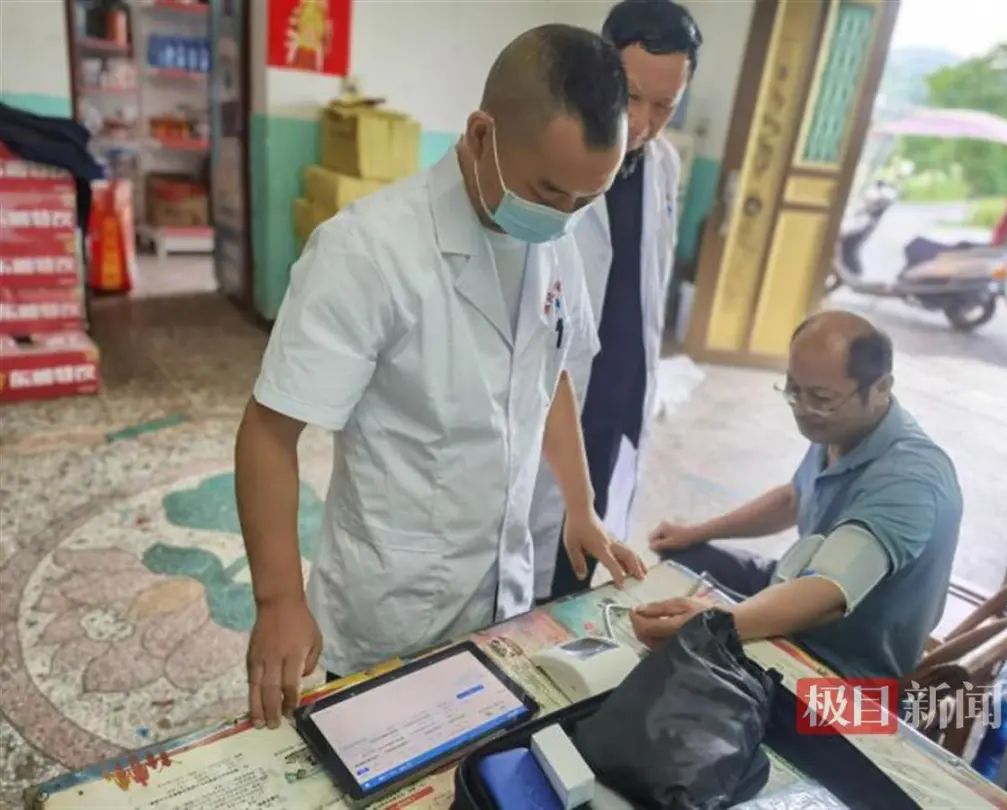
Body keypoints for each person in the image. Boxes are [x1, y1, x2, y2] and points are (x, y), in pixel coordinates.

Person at [236, 24, 646, 729]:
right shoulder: (368, 252)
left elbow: (549, 374)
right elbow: (269, 433)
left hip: (504, 597)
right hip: (392, 606)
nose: (563, 218)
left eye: (586, 200)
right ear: (482, 134)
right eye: (550, 191)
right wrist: (278, 600)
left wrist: (580, 507)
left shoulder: (557, 239)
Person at [632, 311, 963, 680]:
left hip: (843, 666)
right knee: (681, 557)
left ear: (881, 388)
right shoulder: (838, 430)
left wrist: (715, 622)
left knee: (679, 673)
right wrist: (695, 532)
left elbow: (829, 592)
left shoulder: (910, 480)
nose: (803, 410)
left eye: (820, 398)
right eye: (794, 390)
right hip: (797, 583)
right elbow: (794, 498)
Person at [531, 0, 703, 601]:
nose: (643, 122)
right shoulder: (551, 155)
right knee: (528, 550)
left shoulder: (664, 166)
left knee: (585, 552)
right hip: (554, 394)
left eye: (665, 106)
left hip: (619, 394)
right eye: (631, 97)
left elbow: (648, 283)